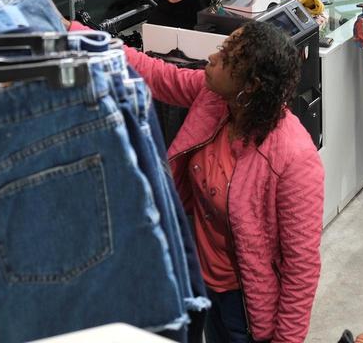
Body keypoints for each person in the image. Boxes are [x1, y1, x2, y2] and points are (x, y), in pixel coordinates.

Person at [107, 21, 324, 343]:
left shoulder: (294, 157)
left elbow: (301, 267)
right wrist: (82, 36)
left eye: (225, 56)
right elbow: (159, 75)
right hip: (203, 284)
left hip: (245, 307)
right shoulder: (215, 99)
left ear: (250, 84)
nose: (212, 57)